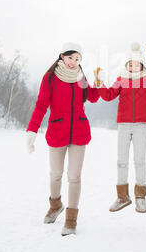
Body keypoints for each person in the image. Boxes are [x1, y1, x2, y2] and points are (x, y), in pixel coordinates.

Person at [26, 42, 100, 236]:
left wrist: (98, 83)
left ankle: (71, 219)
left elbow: (92, 97)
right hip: (57, 131)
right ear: (61, 56)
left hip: (79, 132)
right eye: (70, 58)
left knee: (74, 176)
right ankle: (55, 204)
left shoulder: (80, 77)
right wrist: (32, 130)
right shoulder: (50, 78)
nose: (73, 62)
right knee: (55, 174)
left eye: (77, 59)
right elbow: (41, 105)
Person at [94, 43, 146, 213]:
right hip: (123, 125)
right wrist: (99, 83)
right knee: (121, 161)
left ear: (142, 65)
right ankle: (122, 197)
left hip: (140, 125)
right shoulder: (121, 80)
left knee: (139, 161)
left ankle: (140, 197)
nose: (133, 67)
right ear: (126, 65)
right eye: (130, 64)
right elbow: (108, 96)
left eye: (136, 64)